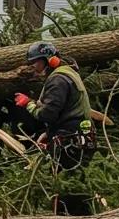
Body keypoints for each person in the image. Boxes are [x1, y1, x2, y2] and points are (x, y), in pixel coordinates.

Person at [14, 42, 96, 207]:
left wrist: (28, 103)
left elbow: (47, 114)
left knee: (67, 189)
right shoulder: (68, 73)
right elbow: (65, 111)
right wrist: (49, 133)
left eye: (36, 62)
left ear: (48, 60)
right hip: (79, 137)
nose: (34, 66)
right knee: (76, 184)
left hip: (71, 142)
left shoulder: (57, 80)